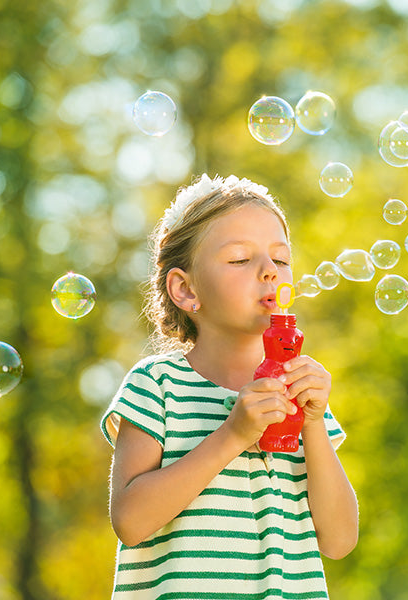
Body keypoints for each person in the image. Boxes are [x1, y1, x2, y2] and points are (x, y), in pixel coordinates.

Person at [100, 174, 358, 598]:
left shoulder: (301, 392)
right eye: (240, 259)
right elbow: (130, 522)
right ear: (185, 289)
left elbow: (339, 540)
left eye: (281, 259)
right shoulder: (157, 385)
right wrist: (234, 434)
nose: (270, 272)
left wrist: (312, 424)